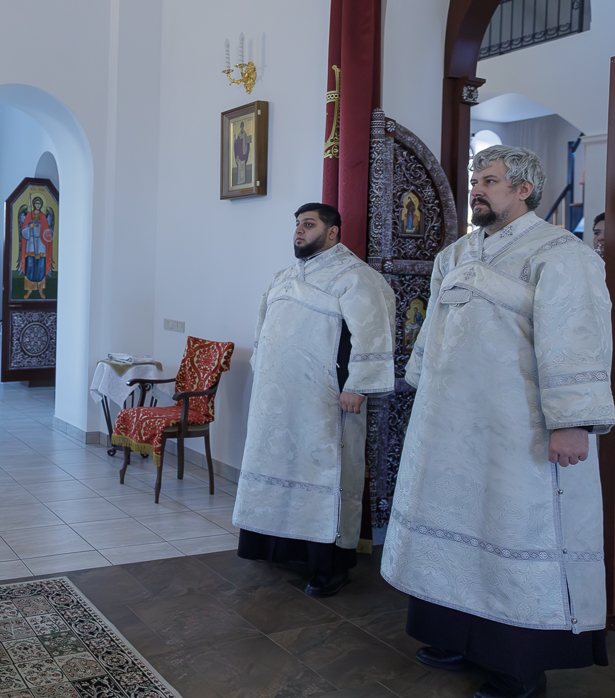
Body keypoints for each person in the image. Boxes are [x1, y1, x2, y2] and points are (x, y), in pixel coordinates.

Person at [381, 145, 612, 698]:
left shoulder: (562, 254)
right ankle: (457, 637)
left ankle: (518, 666)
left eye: (489, 180)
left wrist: (572, 422)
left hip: (520, 430)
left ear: (523, 189)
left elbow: (576, 336)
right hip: (451, 428)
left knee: (513, 530)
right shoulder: (455, 255)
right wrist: (424, 394)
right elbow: (433, 333)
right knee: (457, 523)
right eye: (475, 180)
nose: (476, 190)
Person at [232, 203, 396, 598]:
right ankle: (280, 549)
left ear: (333, 232)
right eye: (297, 225)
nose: (299, 231)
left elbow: (373, 331)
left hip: (324, 400)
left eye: (309, 224)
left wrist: (359, 385)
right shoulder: (284, 277)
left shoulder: (355, 276)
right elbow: (262, 330)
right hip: (278, 400)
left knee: (326, 473)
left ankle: (330, 567)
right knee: (278, 465)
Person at [18, 196, 54, 299]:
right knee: (30, 266)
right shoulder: (29, 215)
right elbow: (23, 231)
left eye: (39, 204)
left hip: (41, 244)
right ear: (34, 204)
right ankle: (29, 289)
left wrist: (46, 234)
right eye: (36, 203)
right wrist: (29, 228)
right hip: (31, 245)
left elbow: (47, 231)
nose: (38, 205)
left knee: (41, 267)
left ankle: (40, 289)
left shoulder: (43, 217)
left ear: (41, 205)